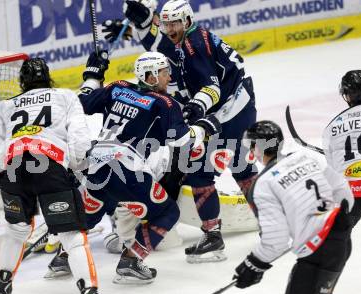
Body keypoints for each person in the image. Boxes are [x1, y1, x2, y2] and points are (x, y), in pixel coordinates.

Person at [104, 0, 258, 263]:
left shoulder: (194, 45)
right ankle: (273, 221)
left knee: (198, 173)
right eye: (165, 23)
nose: (169, 28)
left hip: (228, 112)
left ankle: (213, 237)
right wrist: (141, 26)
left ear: (187, 20)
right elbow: (162, 50)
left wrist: (197, 106)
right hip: (240, 107)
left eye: (174, 23)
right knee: (242, 169)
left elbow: (212, 88)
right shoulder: (189, 39)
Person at [73, 49, 222, 284]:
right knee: (168, 212)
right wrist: (204, 126)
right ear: (151, 76)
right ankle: (131, 260)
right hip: (126, 169)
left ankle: (62, 257)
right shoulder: (165, 103)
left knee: (87, 216)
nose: (169, 78)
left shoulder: (117, 87)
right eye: (164, 73)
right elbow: (181, 141)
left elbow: (80, 103)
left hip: (95, 165)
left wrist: (92, 75)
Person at [0, 58, 112, 294]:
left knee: (16, 231)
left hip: (14, 170)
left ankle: (3, 282)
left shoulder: (4, 106)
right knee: (72, 236)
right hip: (49, 167)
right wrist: (75, 165)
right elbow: (80, 139)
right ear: (49, 77)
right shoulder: (64, 96)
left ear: (22, 82)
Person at [232, 120, 354, 294]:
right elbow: (343, 190)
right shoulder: (306, 157)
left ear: (257, 148)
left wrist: (253, 264)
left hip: (318, 252)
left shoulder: (263, 185)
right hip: (342, 241)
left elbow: (276, 240)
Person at [323, 70, 361, 228]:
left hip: (350, 192)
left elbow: (332, 169)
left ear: (348, 95)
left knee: (332, 241)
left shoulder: (332, 126)